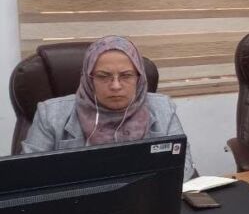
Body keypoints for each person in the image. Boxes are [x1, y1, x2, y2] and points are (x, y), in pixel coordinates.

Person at [22, 35, 197, 181]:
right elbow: (29, 174)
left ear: (139, 78)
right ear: (88, 79)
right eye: (103, 76)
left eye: (126, 75)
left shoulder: (163, 108)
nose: (115, 86)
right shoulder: (51, 114)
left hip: (143, 201)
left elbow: (184, 167)